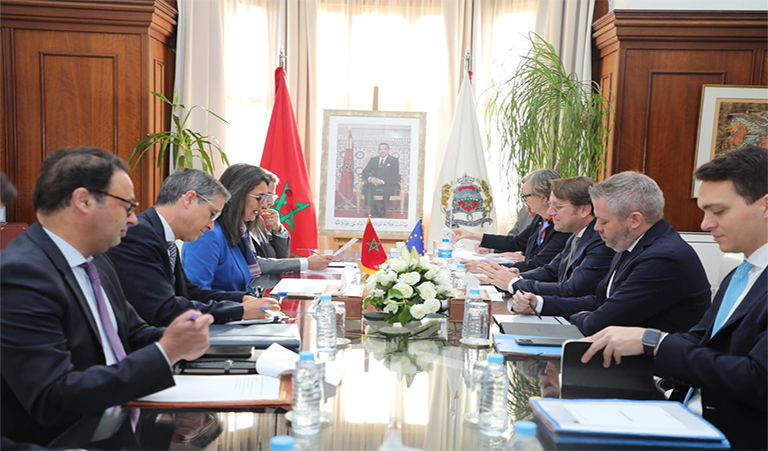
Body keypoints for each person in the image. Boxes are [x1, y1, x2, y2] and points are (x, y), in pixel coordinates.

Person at [1, 146, 213, 445]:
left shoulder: (96, 259)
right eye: (127, 205)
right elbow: (53, 397)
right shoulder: (22, 274)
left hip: (124, 420)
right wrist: (166, 351)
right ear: (84, 200)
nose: (134, 219)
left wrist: (186, 338)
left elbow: (134, 333)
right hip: (71, 437)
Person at [579, 147, 767, 451]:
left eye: (718, 212)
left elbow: (758, 382)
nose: (705, 224)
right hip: (684, 414)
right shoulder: (741, 274)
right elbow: (698, 341)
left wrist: (653, 342)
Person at [511, 171, 710, 336]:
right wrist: (540, 303)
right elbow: (600, 300)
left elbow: (598, 321)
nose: (596, 228)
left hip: (648, 371)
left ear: (634, 220)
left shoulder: (662, 258)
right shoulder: (633, 243)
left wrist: (577, 315)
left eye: (603, 221)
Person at [107, 169, 279, 326]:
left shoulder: (162, 236)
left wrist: (241, 299)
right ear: (189, 199)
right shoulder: (138, 234)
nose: (211, 226)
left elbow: (188, 291)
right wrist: (239, 311)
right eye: (212, 214)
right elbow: (163, 308)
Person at [182, 164, 333, 291]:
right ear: (237, 194)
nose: (265, 204)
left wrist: (254, 304)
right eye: (260, 197)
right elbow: (197, 296)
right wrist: (244, 308)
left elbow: (245, 283)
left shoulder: (238, 231)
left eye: (268, 197)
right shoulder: (208, 234)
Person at [479, 176, 615, 298]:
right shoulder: (577, 235)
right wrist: (516, 276)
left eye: (557, 207)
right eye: (550, 205)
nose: (550, 212)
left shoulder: (600, 240)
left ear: (584, 210)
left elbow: (572, 289)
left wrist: (514, 283)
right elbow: (551, 271)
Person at [454, 168, 570, 272]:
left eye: (526, 197)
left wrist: (484, 267)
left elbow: (537, 265)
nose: (525, 202)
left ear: (543, 197)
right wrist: (472, 235)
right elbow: (517, 242)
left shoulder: (562, 226)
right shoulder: (542, 219)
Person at [361, 142, 400, 217]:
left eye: (384, 149)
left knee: (387, 188)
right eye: (380, 149)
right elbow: (365, 172)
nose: (382, 151)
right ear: (378, 150)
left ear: (388, 150)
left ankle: (383, 210)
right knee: (366, 187)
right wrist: (371, 178)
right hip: (375, 182)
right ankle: (373, 209)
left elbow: (395, 175)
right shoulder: (373, 159)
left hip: (389, 182)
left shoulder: (394, 160)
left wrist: (382, 181)